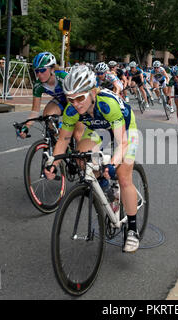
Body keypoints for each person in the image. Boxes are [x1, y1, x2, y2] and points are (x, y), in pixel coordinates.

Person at [44, 65, 141, 253]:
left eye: (80, 98)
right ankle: (107, 189)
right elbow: (63, 139)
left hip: (126, 131)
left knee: (123, 176)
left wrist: (112, 164)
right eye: (70, 99)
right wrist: (53, 163)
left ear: (92, 92)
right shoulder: (72, 110)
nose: (75, 104)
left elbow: (122, 142)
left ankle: (132, 229)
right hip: (99, 131)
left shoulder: (107, 103)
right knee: (82, 157)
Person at [18, 52, 70, 138]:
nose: (39, 74)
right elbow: (35, 111)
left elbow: (71, 105)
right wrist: (26, 127)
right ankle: (55, 144)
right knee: (48, 116)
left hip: (74, 102)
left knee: (77, 134)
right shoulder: (38, 85)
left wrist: (65, 124)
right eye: (37, 71)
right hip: (60, 101)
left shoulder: (63, 78)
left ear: (52, 69)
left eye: (42, 70)